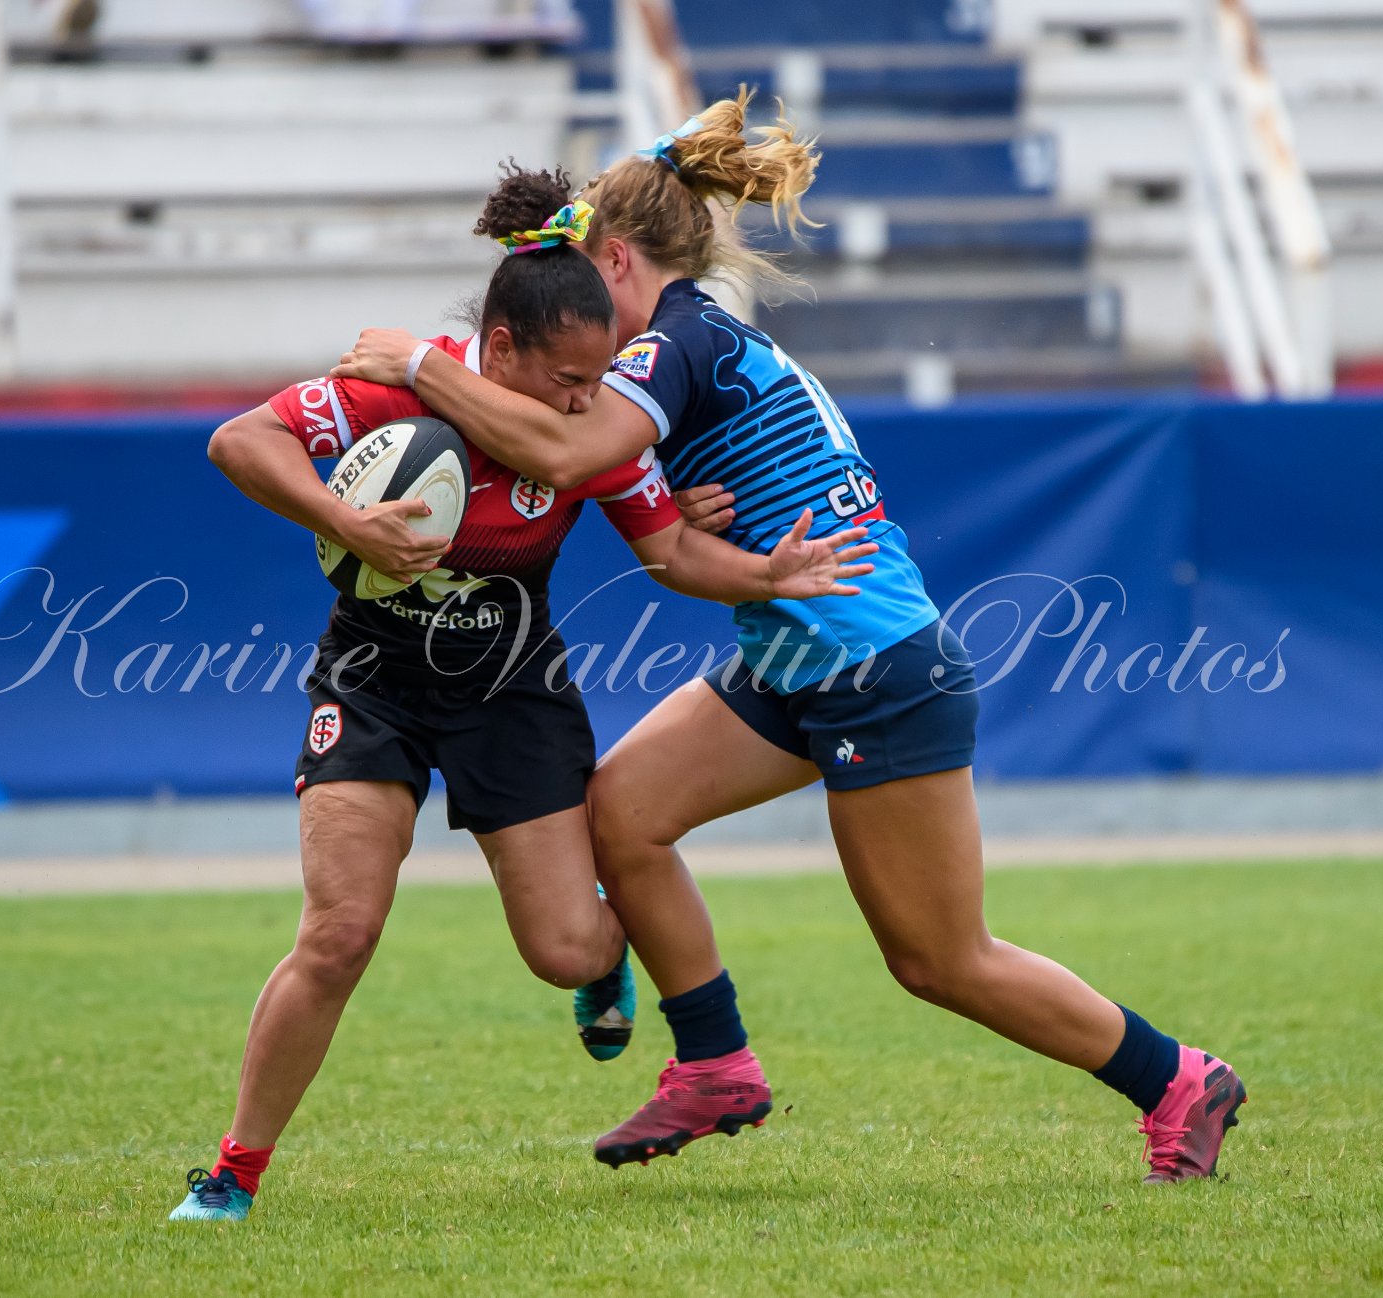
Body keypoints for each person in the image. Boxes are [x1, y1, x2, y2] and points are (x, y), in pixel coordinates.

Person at [330, 91, 1248, 1184]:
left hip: (872, 664)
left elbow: (574, 458)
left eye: (587, 278)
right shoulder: (698, 345)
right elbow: (635, 496)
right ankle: (714, 1064)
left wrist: (423, 369)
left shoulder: (675, 342)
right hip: (796, 655)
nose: (581, 306)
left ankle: (1174, 1075)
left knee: (936, 957)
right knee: (621, 812)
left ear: (617, 261)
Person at [167, 165, 878, 1223]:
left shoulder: (582, 442)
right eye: (568, 380)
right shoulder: (400, 392)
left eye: (602, 381)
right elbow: (240, 441)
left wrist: (767, 572)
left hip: (512, 688)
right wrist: (344, 516)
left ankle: (607, 963)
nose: (590, 404)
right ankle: (232, 1173)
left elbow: (672, 549)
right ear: (498, 351)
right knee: (339, 930)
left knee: (565, 950)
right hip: (370, 678)